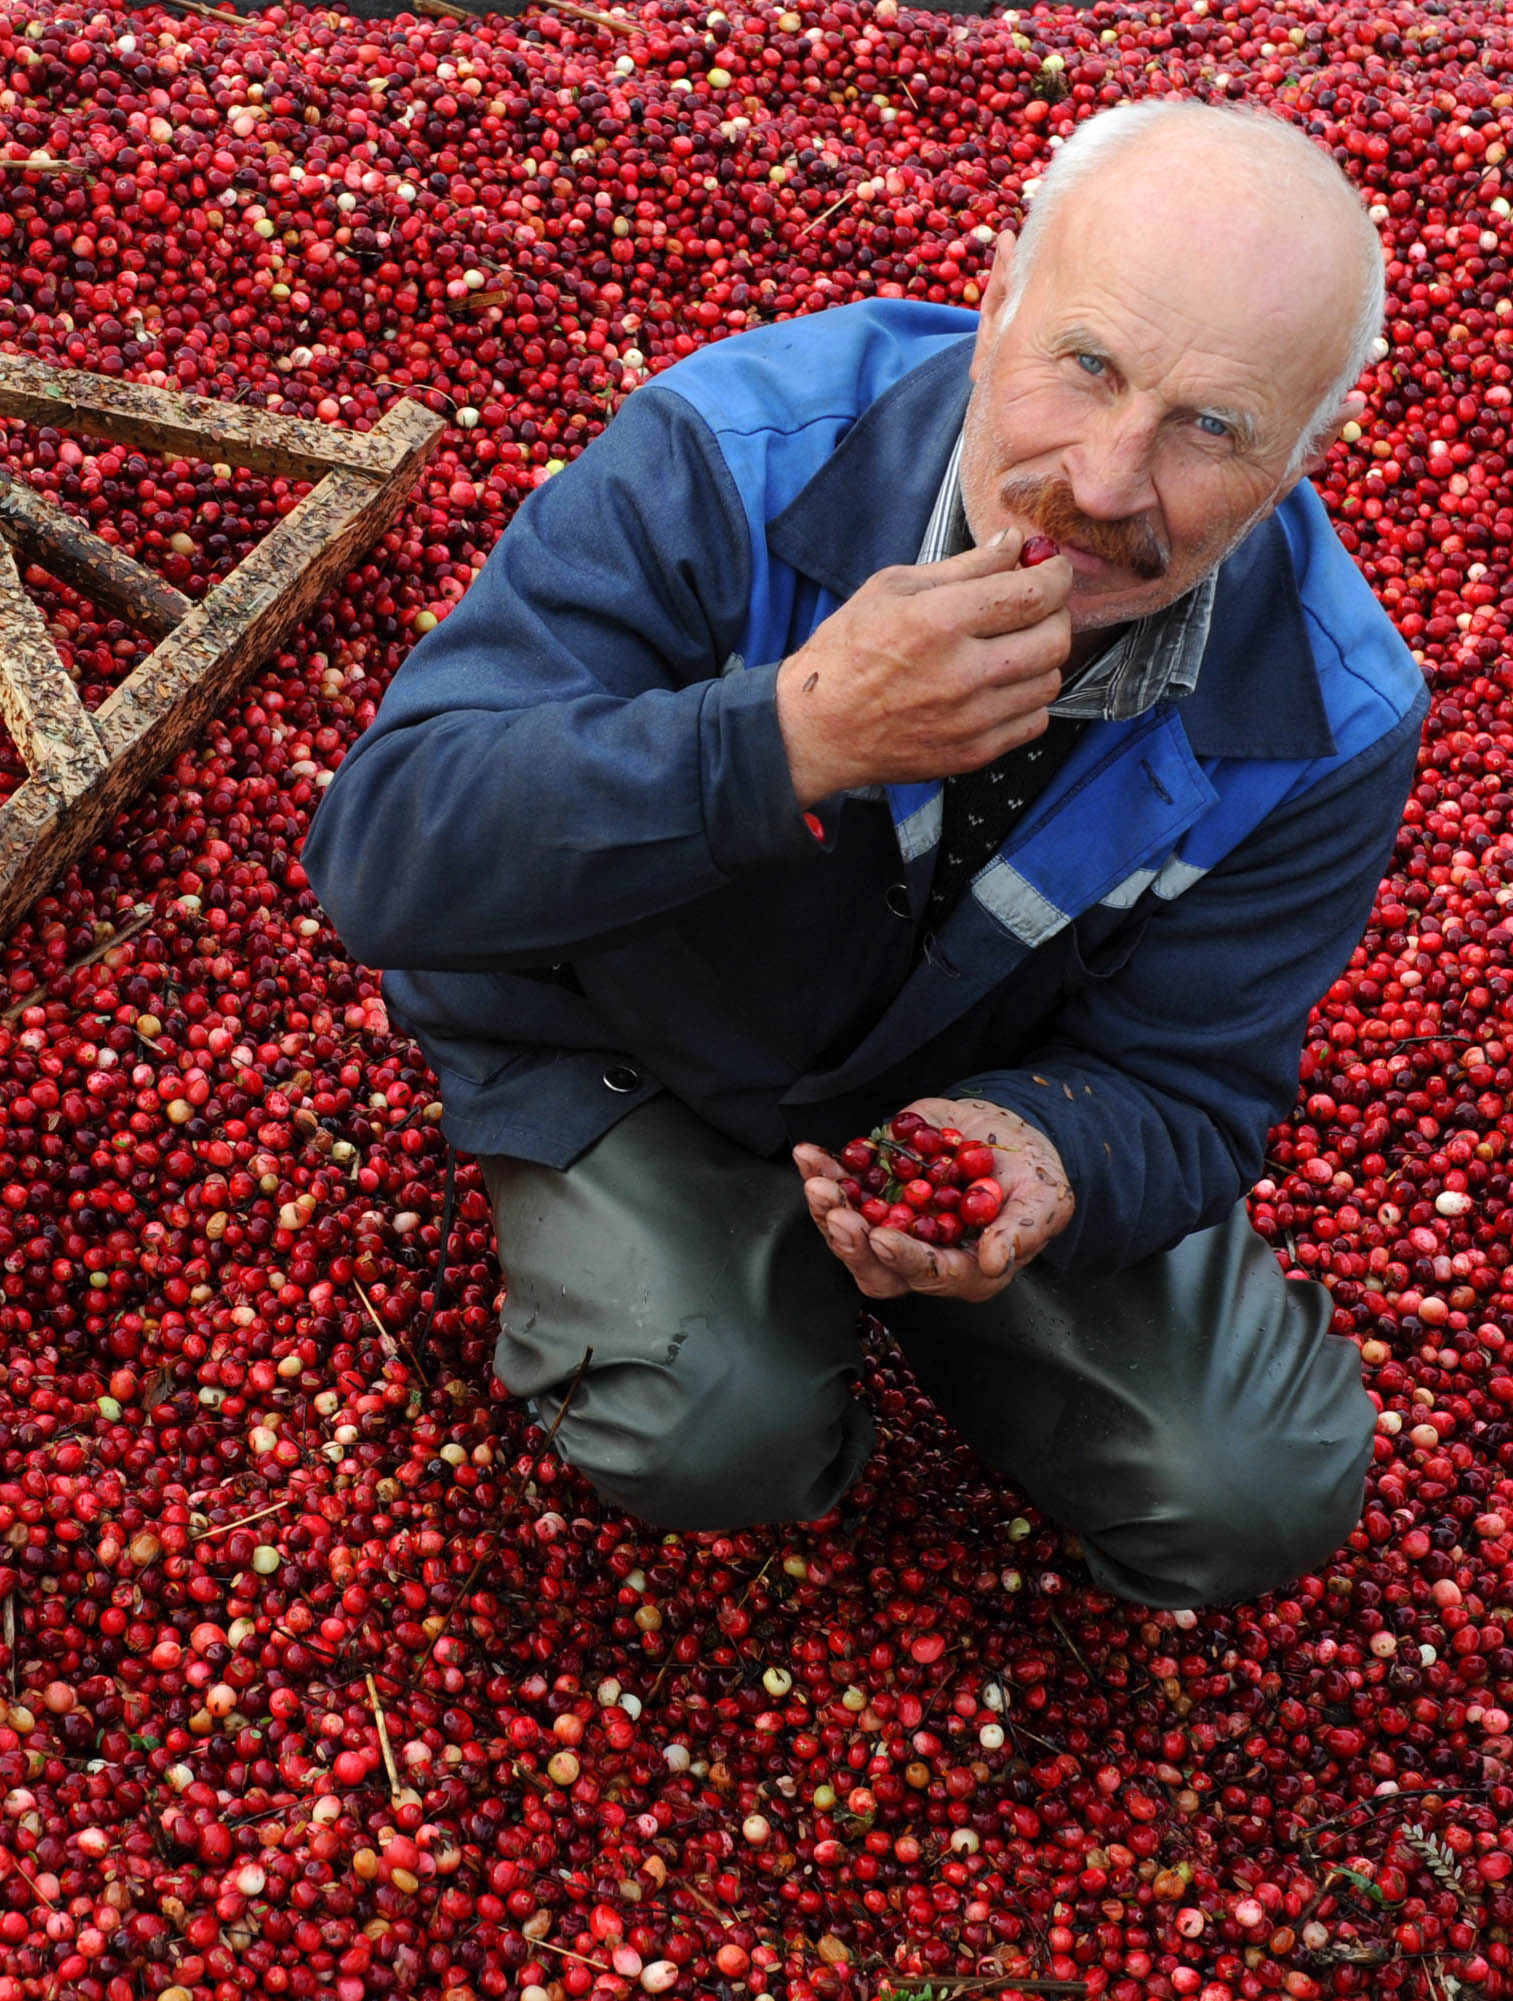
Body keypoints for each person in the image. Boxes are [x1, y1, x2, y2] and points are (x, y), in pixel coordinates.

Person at [302, 101, 1425, 1609]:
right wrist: (792, 735)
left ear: (1308, 452)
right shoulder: (734, 460)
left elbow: (1199, 1084)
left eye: (1208, 428)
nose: (1103, 479)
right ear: (997, 294)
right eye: (1085, 364)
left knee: (1246, 1488)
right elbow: (386, 852)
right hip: (637, 1043)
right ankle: (728, 1288)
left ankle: (868, 1282)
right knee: (719, 1425)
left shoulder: (1333, 715)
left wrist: (1048, 1154)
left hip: (961, 1097)